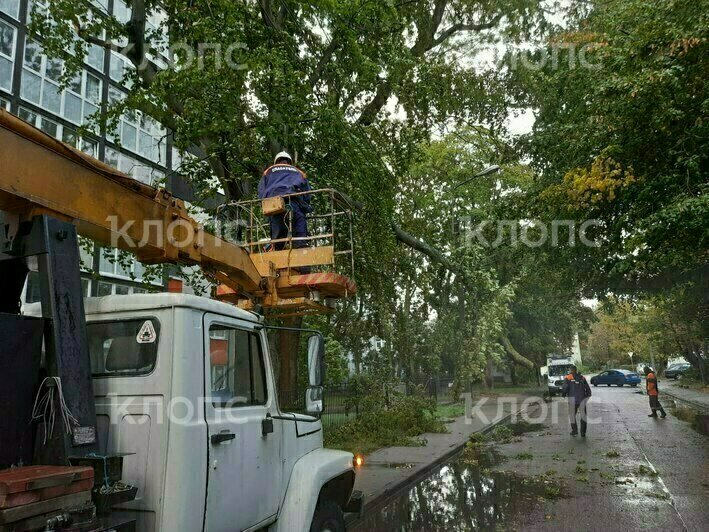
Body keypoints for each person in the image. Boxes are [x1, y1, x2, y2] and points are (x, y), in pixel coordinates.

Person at [257, 151, 312, 250]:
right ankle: (303, 258)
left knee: (278, 241)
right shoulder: (299, 172)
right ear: (289, 162)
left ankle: (275, 251)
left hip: (275, 206)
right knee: (300, 240)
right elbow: (307, 196)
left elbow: (261, 194)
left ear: (276, 162)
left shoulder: (268, 172)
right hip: (295, 206)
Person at [562, 365, 592, 437]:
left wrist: (563, 394)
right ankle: (583, 433)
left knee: (572, 416)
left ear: (571, 370)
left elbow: (565, 388)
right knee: (583, 416)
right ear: (576, 370)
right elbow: (588, 389)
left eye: (569, 370)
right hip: (582, 399)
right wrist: (587, 396)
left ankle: (574, 431)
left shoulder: (567, 377)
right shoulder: (582, 377)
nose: (569, 371)